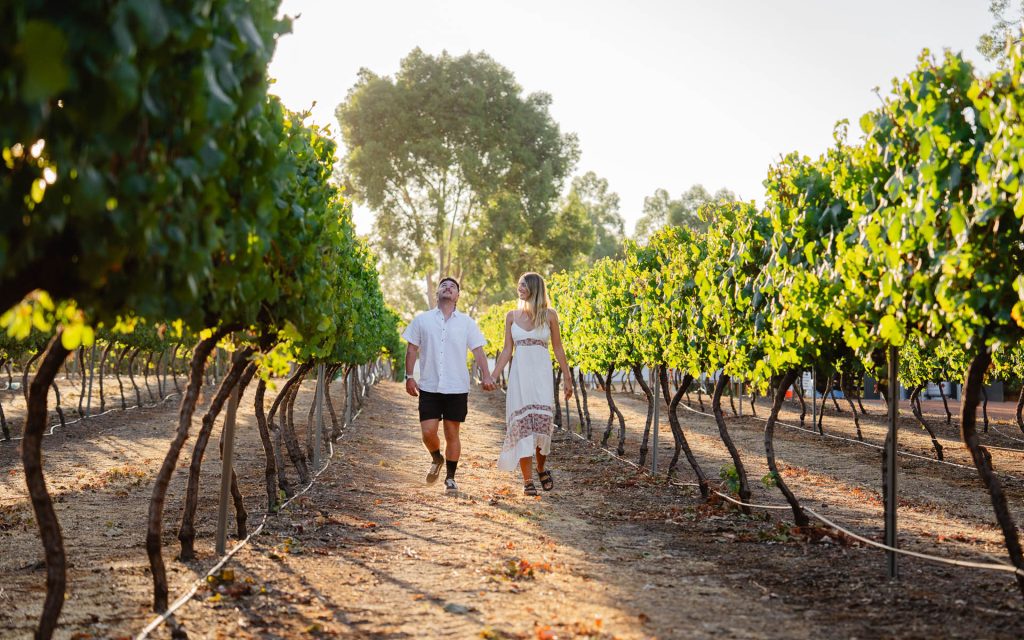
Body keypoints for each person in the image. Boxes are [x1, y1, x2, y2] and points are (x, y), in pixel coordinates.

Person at [403, 277, 496, 494]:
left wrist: (487, 375)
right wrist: (409, 376)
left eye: (453, 286)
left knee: (452, 433)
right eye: (444, 285)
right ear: (437, 293)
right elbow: (411, 349)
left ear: (457, 296)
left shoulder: (467, 323)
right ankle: (437, 458)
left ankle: (450, 478)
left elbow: (478, 351)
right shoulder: (422, 320)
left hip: (456, 387)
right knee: (428, 433)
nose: (448, 287)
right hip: (429, 386)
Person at [490, 272, 572, 495]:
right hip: (520, 378)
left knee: (543, 425)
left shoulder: (550, 315)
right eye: (518, 284)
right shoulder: (511, 316)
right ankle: (527, 480)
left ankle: (542, 468)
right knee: (524, 425)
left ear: (535, 287)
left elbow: (558, 348)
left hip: (542, 376)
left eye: (524, 284)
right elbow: (507, 350)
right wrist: (493, 374)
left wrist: (567, 376)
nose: (520, 288)